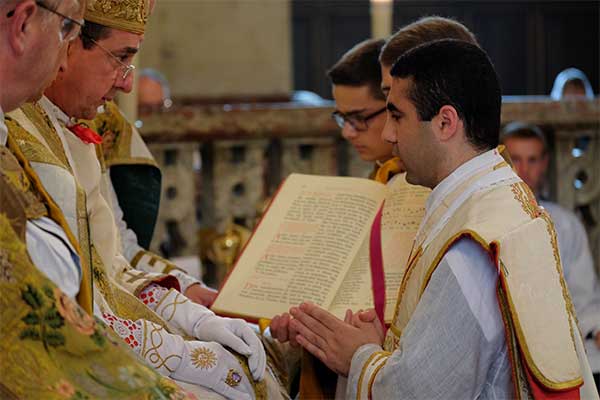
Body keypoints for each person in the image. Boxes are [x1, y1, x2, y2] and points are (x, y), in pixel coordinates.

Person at [6, 0, 288, 398]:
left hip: (98, 330)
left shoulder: (73, 125)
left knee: (261, 365)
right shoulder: (21, 133)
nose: (127, 84)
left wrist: (191, 312)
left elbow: (113, 261)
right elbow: (69, 296)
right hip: (64, 350)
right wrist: (184, 354)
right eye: (121, 59)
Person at [286, 39, 598, 399]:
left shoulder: (472, 243)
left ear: (445, 122)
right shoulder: (499, 198)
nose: (388, 134)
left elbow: (418, 392)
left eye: (397, 115)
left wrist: (356, 357)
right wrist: (382, 347)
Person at [0, 0, 191, 398]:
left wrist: (188, 304)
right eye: (66, 31)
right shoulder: (24, 129)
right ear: (21, 25)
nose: (62, 59)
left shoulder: (48, 127)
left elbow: (111, 255)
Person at [502, 121, 600, 392]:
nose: (523, 170)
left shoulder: (566, 224)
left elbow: (584, 295)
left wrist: (595, 327)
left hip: (562, 340)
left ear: (544, 163)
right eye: (515, 159)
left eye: (532, 160)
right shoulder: (488, 221)